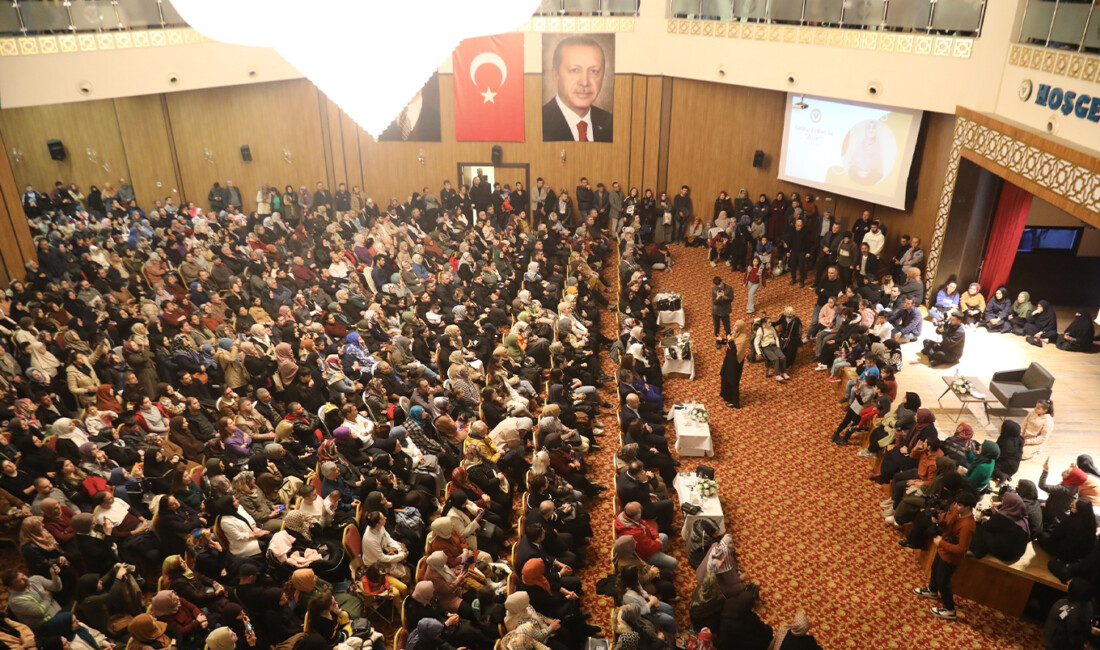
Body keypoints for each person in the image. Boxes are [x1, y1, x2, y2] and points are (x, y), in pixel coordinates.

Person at [912, 490, 978, 620]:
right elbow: (948, 527)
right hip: (943, 550)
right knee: (935, 570)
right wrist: (940, 522)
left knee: (944, 582)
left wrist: (941, 543)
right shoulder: (957, 512)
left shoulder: (967, 526)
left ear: (968, 507)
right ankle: (932, 590)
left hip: (950, 557)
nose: (955, 507)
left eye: (959, 505)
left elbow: (961, 549)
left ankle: (950, 609)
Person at [542, 36, 612, 142]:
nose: (584, 82)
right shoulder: (539, 123)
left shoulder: (611, 123)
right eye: (575, 70)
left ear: (603, 76)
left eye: (593, 71)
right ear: (556, 75)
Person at [1042, 578, 1094, 650]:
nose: (1067, 582)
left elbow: (1073, 638)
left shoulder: (1074, 614)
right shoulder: (1086, 604)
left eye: (1070, 583)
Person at [719, 320, 750, 408]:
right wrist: (722, 340)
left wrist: (730, 340)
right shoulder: (736, 334)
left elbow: (735, 350)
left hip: (735, 362)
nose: (734, 327)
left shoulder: (743, 338)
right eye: (734, 325)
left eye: (736, 326)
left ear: (740, 328)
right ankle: (726, 395)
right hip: (729, 359)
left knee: (732, 380)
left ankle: (735, 402)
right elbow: (730, 343)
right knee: (725, 376)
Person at [711, 276, 734, 348]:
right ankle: (718, 341)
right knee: (716, 327)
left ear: (722, 281)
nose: (719, 286)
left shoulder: (729, 288)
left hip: (725, 310)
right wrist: (717, 297)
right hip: (716, 311)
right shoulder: (714, 290)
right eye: (717, 285)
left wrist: (724, 296)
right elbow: (714, 302)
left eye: (720, 284)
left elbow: (731, 299)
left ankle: (729, 340)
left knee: (727, 327)